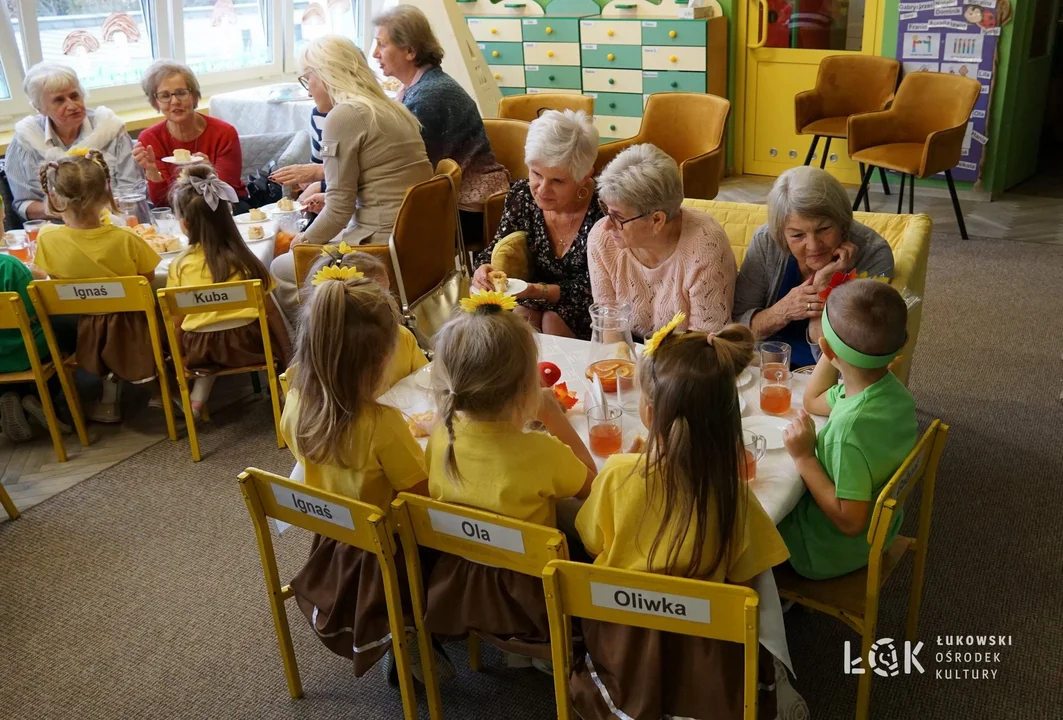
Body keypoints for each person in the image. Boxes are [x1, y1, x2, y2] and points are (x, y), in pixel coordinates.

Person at [572, 319, 789, 719]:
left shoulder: (618, 474)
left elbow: (592, 544)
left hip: (625, 645)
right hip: (705, 658)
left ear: (650, 414)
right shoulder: (735, 496)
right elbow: (744, 590)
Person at [423, 292, 596, 659]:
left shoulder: (444, 435)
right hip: (529, 596)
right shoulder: (540, 451)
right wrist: (554, 418)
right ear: (525, 388)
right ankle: (544, 650)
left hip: (458, 582)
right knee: (585, 537)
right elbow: (592, 486)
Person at [282, 270, 431, 678]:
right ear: (381, 358)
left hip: (331, 536)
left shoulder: (294, 403)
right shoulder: (382, 424)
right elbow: (422, 499)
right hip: (389, 547)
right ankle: (406, 631)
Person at [270, 36, 433, 324]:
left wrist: (301, 242)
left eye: (308, 79)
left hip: (381, 246)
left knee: (282, 266)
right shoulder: (392, 106)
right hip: (416, 241)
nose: (309, 93)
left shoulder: (344, 115)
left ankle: (314, 352)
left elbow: (339, 210)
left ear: (327, 73)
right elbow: (382, 180)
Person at [779, 279, 917, 580]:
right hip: (882, 529)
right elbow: (813, 401)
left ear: (824, 347)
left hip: (826, 550)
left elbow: (851, 522)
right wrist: (832, 354)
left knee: (750, 513)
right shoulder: (890, 390)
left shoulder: (847, 433)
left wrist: (804, 457)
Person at [32, 150, 161, 423]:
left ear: (55, 197)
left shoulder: (47, 238)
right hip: (134, 326)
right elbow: (147, 277)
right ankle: (158, 385)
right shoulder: (125, 238)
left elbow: (52, 279)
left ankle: (96, 398)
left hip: (83, 327)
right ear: (106, 195)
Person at [373, 5, 509, 246]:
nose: (375, 53)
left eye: (382, 45)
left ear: (410, 51)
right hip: (456, 199)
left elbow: (404, 167)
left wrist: (326, 178)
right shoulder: (420, 87)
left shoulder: (429, 96)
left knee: (376, 225)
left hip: (470, 211)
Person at [733, 166, 895, 369]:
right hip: (766, 364)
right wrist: (783, 311)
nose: (813, 246)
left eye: (824, 229)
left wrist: (824, 291)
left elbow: (854, 360)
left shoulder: (872, 254)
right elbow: (737, 325)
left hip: (834, 374)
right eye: (797, 235)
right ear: (782, 233)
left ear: (842, 221)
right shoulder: (767, 242)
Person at [165, 165, 292, 418]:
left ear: (184, 224)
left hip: (201, 350)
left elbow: (176, 322)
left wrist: (178, 356)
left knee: (206, 337)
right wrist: (287, 353)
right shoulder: (246, 261)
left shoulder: (179, 265)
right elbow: (272, 315)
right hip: (249, 345)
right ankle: (279, 389)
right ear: (227, 215)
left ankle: (197, 400)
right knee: (267, 333)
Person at [473, 110, 604, 339]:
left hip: (591, 306)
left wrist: (538, 291)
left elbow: (601, 287)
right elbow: (495, 248)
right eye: (536, 173)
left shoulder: (605, 208)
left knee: (551, 319)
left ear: (584, 176)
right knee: (524, 315)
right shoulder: (522, 195)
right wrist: (484, 269)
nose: (542, 190)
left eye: (557, 181)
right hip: (531, 301)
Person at [589, 144, 737, 339]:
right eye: (605, 209)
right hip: (627, 356)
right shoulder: (602, 239)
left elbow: (704, 345)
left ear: (657, 220)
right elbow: (609, 330)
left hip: (685, 360)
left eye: (618, 216)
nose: (607, 225)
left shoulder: (706, 246)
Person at [6, 61, 143, 221]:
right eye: (59, 100)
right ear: (40, 108)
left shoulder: (109, 128)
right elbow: (25, 204)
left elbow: (131, 191)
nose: (72, 105)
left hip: (112, 224)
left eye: (74, 96)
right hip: (56, 232)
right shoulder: (26, 138)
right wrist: (71, 213)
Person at [305, 246, 427, 391]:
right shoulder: (328, 362)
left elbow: (426, 379)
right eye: (381, 296)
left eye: (388, 291)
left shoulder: (404, 338)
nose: (393, 302)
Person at [133, 60, 248, 210]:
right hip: (178, 213)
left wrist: (209, 174)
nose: (174, 101)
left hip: (226, 210)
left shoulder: (224, 133)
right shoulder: (149, 139)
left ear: (194, 96)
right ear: (155, 103)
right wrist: (152, 172)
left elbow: (226, 194)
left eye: (181, 93)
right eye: (165, 96)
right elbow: (162, 205)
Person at [0, 253, 70, 442]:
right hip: (24, 351)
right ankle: (42, 399)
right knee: (63, 333)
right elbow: (32, 311)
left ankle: (8, 395)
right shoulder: (8, 265)